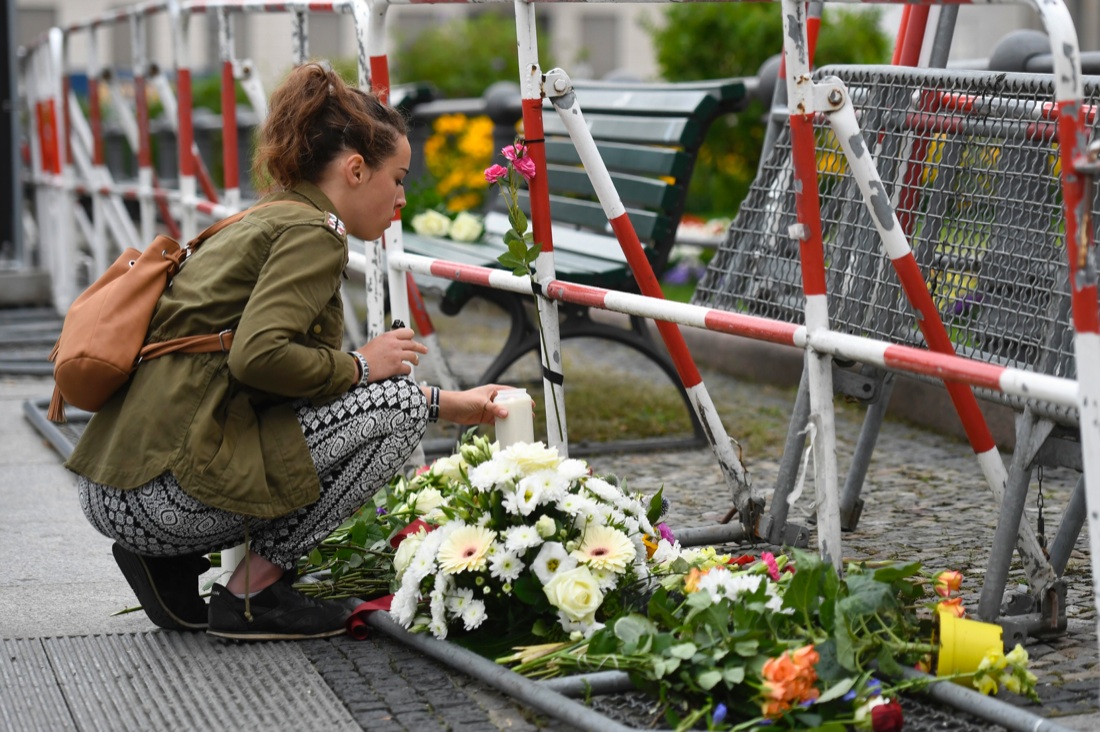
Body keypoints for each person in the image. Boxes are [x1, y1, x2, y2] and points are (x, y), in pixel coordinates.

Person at [66, 62, 510, 641]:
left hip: (116, 486)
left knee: (389, 397)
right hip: (159, 495)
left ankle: (165, 567)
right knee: (398, 408)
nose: (402, 197)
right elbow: (260, 357)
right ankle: (255, 596)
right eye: (397, 178)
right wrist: (363, 366)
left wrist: (404, 386)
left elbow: (261, 373)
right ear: (355, 169)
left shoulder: (269, 215)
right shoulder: (313, 233)